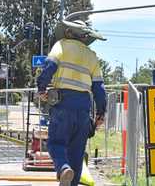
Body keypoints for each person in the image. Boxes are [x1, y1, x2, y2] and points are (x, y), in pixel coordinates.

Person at [37, 16, 107, 186]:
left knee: (56, 143)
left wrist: (41, 88)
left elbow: (49, 67)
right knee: (77, 153)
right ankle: (71, 180)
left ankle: (63, 168)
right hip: (83, 108)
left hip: (63, 104)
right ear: (85, 37)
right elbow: (99, 88)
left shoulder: (61, 45)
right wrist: (100, 113)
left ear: (68, 32)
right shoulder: (92, 56)